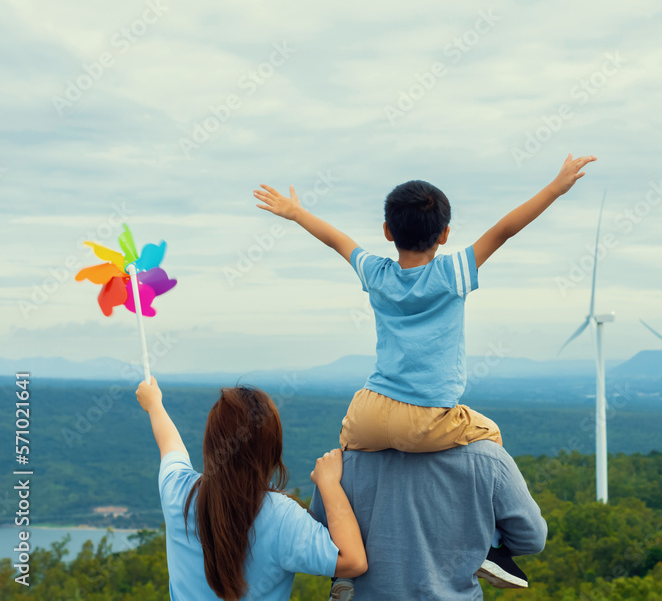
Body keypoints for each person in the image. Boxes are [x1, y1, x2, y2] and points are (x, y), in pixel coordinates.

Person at [254, 153, 594, 586]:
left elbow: (336, 240)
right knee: (490, 439)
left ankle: (344, 564)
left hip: (370, 412)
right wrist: (556, 187)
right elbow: (505, 229)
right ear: (446, 234)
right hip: (429, 418)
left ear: (387, 232)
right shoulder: (453, 272)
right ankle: (493, 548)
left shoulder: (376, 272)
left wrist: (296, 212)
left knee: (346, 461)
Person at [136, 376, 367, 600]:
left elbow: (170, 444)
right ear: (272, 449)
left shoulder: (178, 492)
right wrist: (329, 484)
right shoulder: (283, 517)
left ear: (210, 442)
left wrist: (154, 404)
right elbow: (354, 561)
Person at [308, 440, 548, 599]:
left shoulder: (341, 465)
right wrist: (475, 542)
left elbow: (320, 547)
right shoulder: (490, 459)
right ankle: (489, 550)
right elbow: (532, 539)